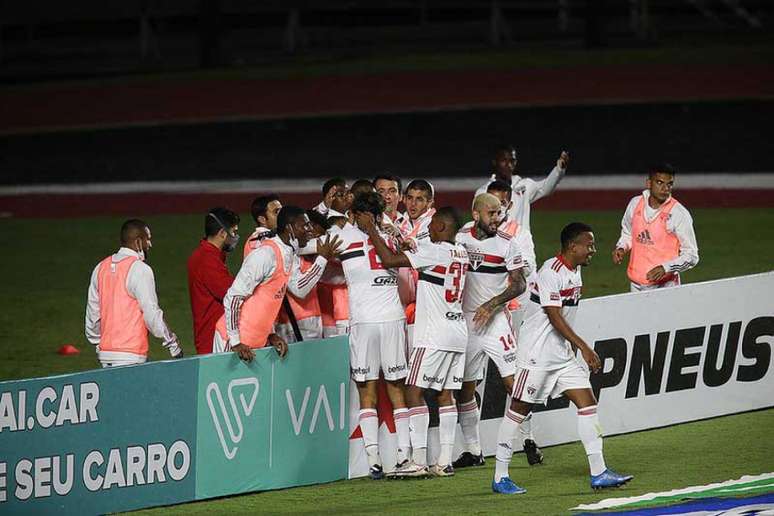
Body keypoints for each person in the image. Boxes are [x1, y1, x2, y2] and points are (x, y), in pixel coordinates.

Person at [492, 222, 633, 494]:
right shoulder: (550, 272)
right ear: (572, 246)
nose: (593, 250)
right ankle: (500, 476)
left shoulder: (575, 270)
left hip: (561, 356)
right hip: (536, 356)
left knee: (587, 403)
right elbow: (554, 317)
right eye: (588, 245)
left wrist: (573, 349)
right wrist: (583, 346)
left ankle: (599, 472)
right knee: (518, 411)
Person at [358, 207, 469, 478]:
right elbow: (422, 247)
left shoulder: (434, 251)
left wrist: (371, 229)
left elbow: (388, 260)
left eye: (432, 226)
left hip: (434, 334)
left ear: (442, 227)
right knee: (446, 395)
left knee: (413, 392)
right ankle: (444, 461)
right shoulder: (460, 251)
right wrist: (401, 236)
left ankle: (418, 461)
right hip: (457, 332)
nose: (428, 230)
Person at [453, 193, 537, 469]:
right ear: (476, 215)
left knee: (513, 383)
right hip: (466, 321)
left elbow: (519, 285)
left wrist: (492, 304)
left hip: (497, 320)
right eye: (492, 214)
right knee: (465, 388)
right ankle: (473, 450)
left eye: (499, 213)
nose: (497, 219)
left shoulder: (507, 244)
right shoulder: (461, 237)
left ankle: (526, 439)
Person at [336, 192, 411, 480]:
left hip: (364, 323)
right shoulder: (391, 239)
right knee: (395, 388)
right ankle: (404, 456)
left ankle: (373, 461)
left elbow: (311, 250)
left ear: (354, 214)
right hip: (392, 319)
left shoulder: (342, 238)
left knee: (366, 391)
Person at [213, 207, 341, 361]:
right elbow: (233, 297)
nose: (310, 230)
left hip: (255, 343)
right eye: (305, 225)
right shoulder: (265, 255)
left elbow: (288, 293)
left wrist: (271, 334)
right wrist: (235, 342)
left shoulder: (287, 254)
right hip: (234, 342)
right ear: (289, 228)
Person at [85, 219, 182, 367]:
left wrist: (99, 345)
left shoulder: (100, 268)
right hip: (131, 356)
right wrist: (173, 345)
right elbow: (151, 314)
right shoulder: (140, 270)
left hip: (105, 356)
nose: (150, 244)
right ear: (138, 242)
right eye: (147, 239)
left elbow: (93, 316)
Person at [613, 164, 699, 291]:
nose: (665, 188)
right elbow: (628, 233)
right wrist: (621, 247)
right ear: (649, 183)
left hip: (666, 287)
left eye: (669, 184)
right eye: (660, 183)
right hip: (636, 285)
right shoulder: (635, 204)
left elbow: (692, 256)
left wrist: (666, 268)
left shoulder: (678, 214)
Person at [187, 208, 240, 355]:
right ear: (222, 233)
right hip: (212, 339)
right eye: (233, 232)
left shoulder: (205, 255)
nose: (235, 237)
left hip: (208, 335)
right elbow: (232, 293)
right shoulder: (208, 260)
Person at [275, 210, 328, 342]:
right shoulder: (285, 253)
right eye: (305, 226)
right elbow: (299, 289)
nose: (310, 230)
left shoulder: (300, 249)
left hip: (312, 318)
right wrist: (323, 258)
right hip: (294, 322)